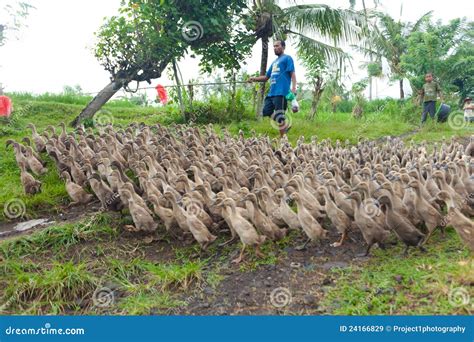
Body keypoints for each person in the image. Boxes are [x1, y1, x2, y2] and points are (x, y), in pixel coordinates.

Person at [247, 40, 297, 137]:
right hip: (272, 93)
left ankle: (282, 139)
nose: (275, 48)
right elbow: (266, 77)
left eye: (277, 46)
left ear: (283, 47)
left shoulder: (287, 58)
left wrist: (294, 88)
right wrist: (254, 79)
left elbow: (293, 74)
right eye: (274, 46)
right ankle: (285, 126)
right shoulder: (274, 62)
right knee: (266, 111)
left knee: (280, 116)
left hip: (281, 92)